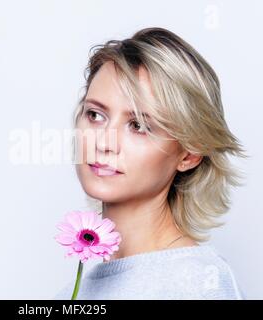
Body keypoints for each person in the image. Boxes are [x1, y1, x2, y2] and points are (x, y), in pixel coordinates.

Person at [54, 27, 248, 300]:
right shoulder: (77, 292)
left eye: (138, 126)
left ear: (189, 154)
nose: (104, 143)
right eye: (95, 115)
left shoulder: (198, 285)